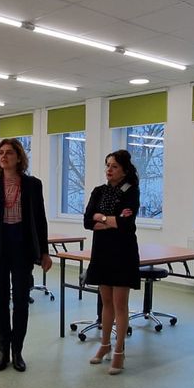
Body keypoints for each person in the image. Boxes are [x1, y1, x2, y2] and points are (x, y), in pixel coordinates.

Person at [0, 139, 51, 373]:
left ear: (19, 157)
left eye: (9, 153)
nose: (4, 156)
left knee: (21, 302)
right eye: (1, 153)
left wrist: (44, 252)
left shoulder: (33, 184)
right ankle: (3, 351)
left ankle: (17, 351)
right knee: (1, 301)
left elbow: (40, 220)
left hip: (23, 248)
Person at [82, 150, 140, 375]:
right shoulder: (99, 191)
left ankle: (119, 350)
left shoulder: (131, 191)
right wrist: (111, 221)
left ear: (124, 170)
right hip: (102, 251)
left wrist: (102, 217)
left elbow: (126, 224)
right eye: (107, 165)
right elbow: (88, 221)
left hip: (123, 252)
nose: (109, 169)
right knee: (106, 302)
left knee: (120, 304)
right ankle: (104, 345)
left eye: (114, 166)